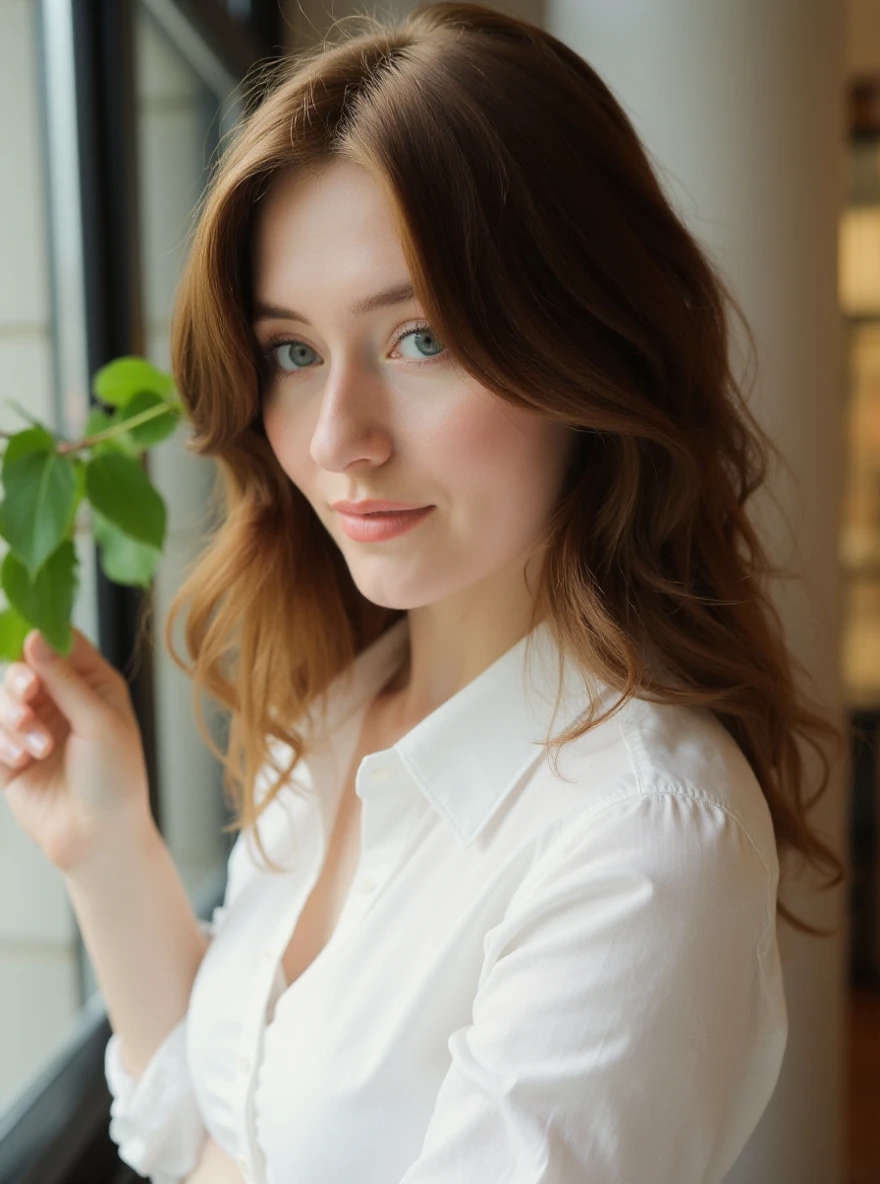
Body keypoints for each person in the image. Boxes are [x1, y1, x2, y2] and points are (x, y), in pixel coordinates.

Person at [0, 3, 845, 1182]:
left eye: (421, 338)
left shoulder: (640, 839)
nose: (339, 438)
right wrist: (100, 840)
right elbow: (214, 1125)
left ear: (586, 347)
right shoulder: (347, 702)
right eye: (293, 351)